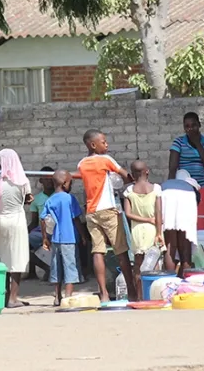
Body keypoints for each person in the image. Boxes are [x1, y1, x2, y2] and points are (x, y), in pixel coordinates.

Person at [78, 129, 137, 302]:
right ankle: (132, 292)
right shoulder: (106, 159)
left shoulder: (81, 163)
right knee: (121, 251)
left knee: (97, 251)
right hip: (109, 210)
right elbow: (125, 175)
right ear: (93, 145)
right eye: (103, 142)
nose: (107, 144)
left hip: (91, 212)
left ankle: (103, 294)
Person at [0, 149, 33, 308]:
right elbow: (27, 199)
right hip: (17, 221)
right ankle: (13, 298)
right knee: (17, 259)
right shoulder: (23, 181)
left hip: (2, 221)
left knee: (4, 260)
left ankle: (4, 296)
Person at [41, 170, 87, 306]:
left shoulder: (49, 200)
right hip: (70, 239)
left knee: (56, 267)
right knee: (70, 266)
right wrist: (83, 236)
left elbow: (43, 219)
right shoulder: (70, 199)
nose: (71, 186)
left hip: (55, 239)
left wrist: (45, 238)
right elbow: (76, 219)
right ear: (65, 183)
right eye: (71, 183)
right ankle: (68, 296)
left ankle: (57, 296)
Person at [123, 160, 163, 293]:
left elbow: (128, 214)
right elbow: (158, 212)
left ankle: (140, 295)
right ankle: (154, 294)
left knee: (139, 264)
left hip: (137, 230)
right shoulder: (156, 189)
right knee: (154, 262)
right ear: (147, 171)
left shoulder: (129, 191)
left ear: (132, 175)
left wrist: (145, 219)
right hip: (153, 229)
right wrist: (158, 232)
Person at [160, 170, 200, 277]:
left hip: (165, 195)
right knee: (185, 246)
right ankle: (185, 281)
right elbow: (197, 202)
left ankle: (169, 281)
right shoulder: (191, 185)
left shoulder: (166, 183)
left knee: (170, 245)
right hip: (187, 197)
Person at [168, 112, 204, 188]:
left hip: (202, 186)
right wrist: (170, 187)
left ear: (199, 125)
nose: (190, 129)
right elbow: (172, 168)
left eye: (194, 125)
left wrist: (197, 143)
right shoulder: (178, 142)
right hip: (184, 187)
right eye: (187, 126)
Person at [28, 166, 55, 277]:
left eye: (51, 178)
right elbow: (34, 222)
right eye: (46, 178)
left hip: (56, 230)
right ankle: (42, 269)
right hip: (42, 231)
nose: (48, 181)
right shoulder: (36, 199)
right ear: (40, 180)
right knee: (23, 244)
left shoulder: (59, 195)